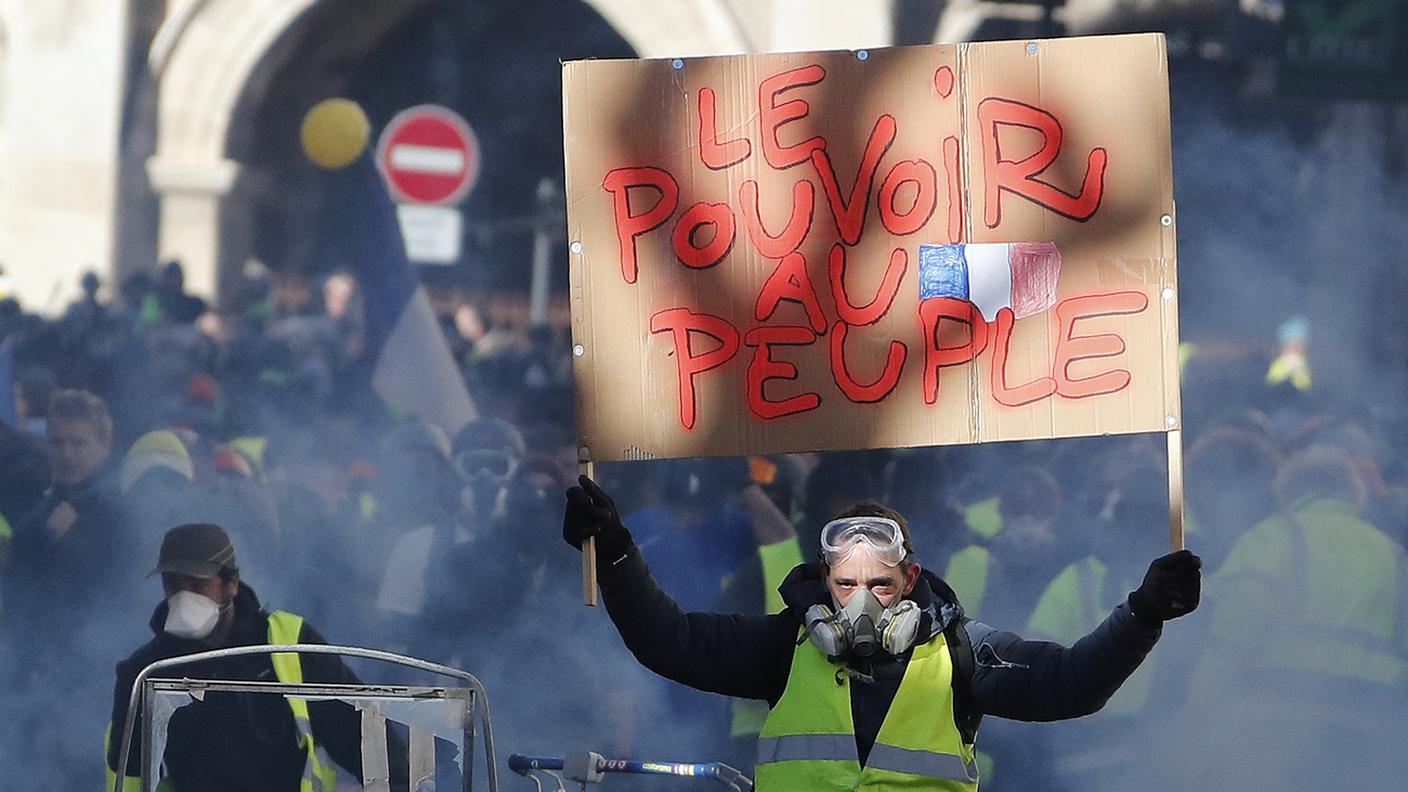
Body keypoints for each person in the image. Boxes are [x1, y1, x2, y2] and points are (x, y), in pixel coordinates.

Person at [563, 476, 1200, 789]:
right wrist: (617, 550)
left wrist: (1142, 613)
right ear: (822, 579)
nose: (862, 602)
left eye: (881, 585)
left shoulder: (963, 653)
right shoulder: (782, 647)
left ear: (911, 576)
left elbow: (1072, 685)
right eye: (845, 586)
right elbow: (666, 639)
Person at [106, 522, 407, 792]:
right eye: (173, 586)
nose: (184, 599)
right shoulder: (146, 671)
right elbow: (128, 773)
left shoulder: (289, 643)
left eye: (198, 586)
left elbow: (359, 730)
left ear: (231, 584)